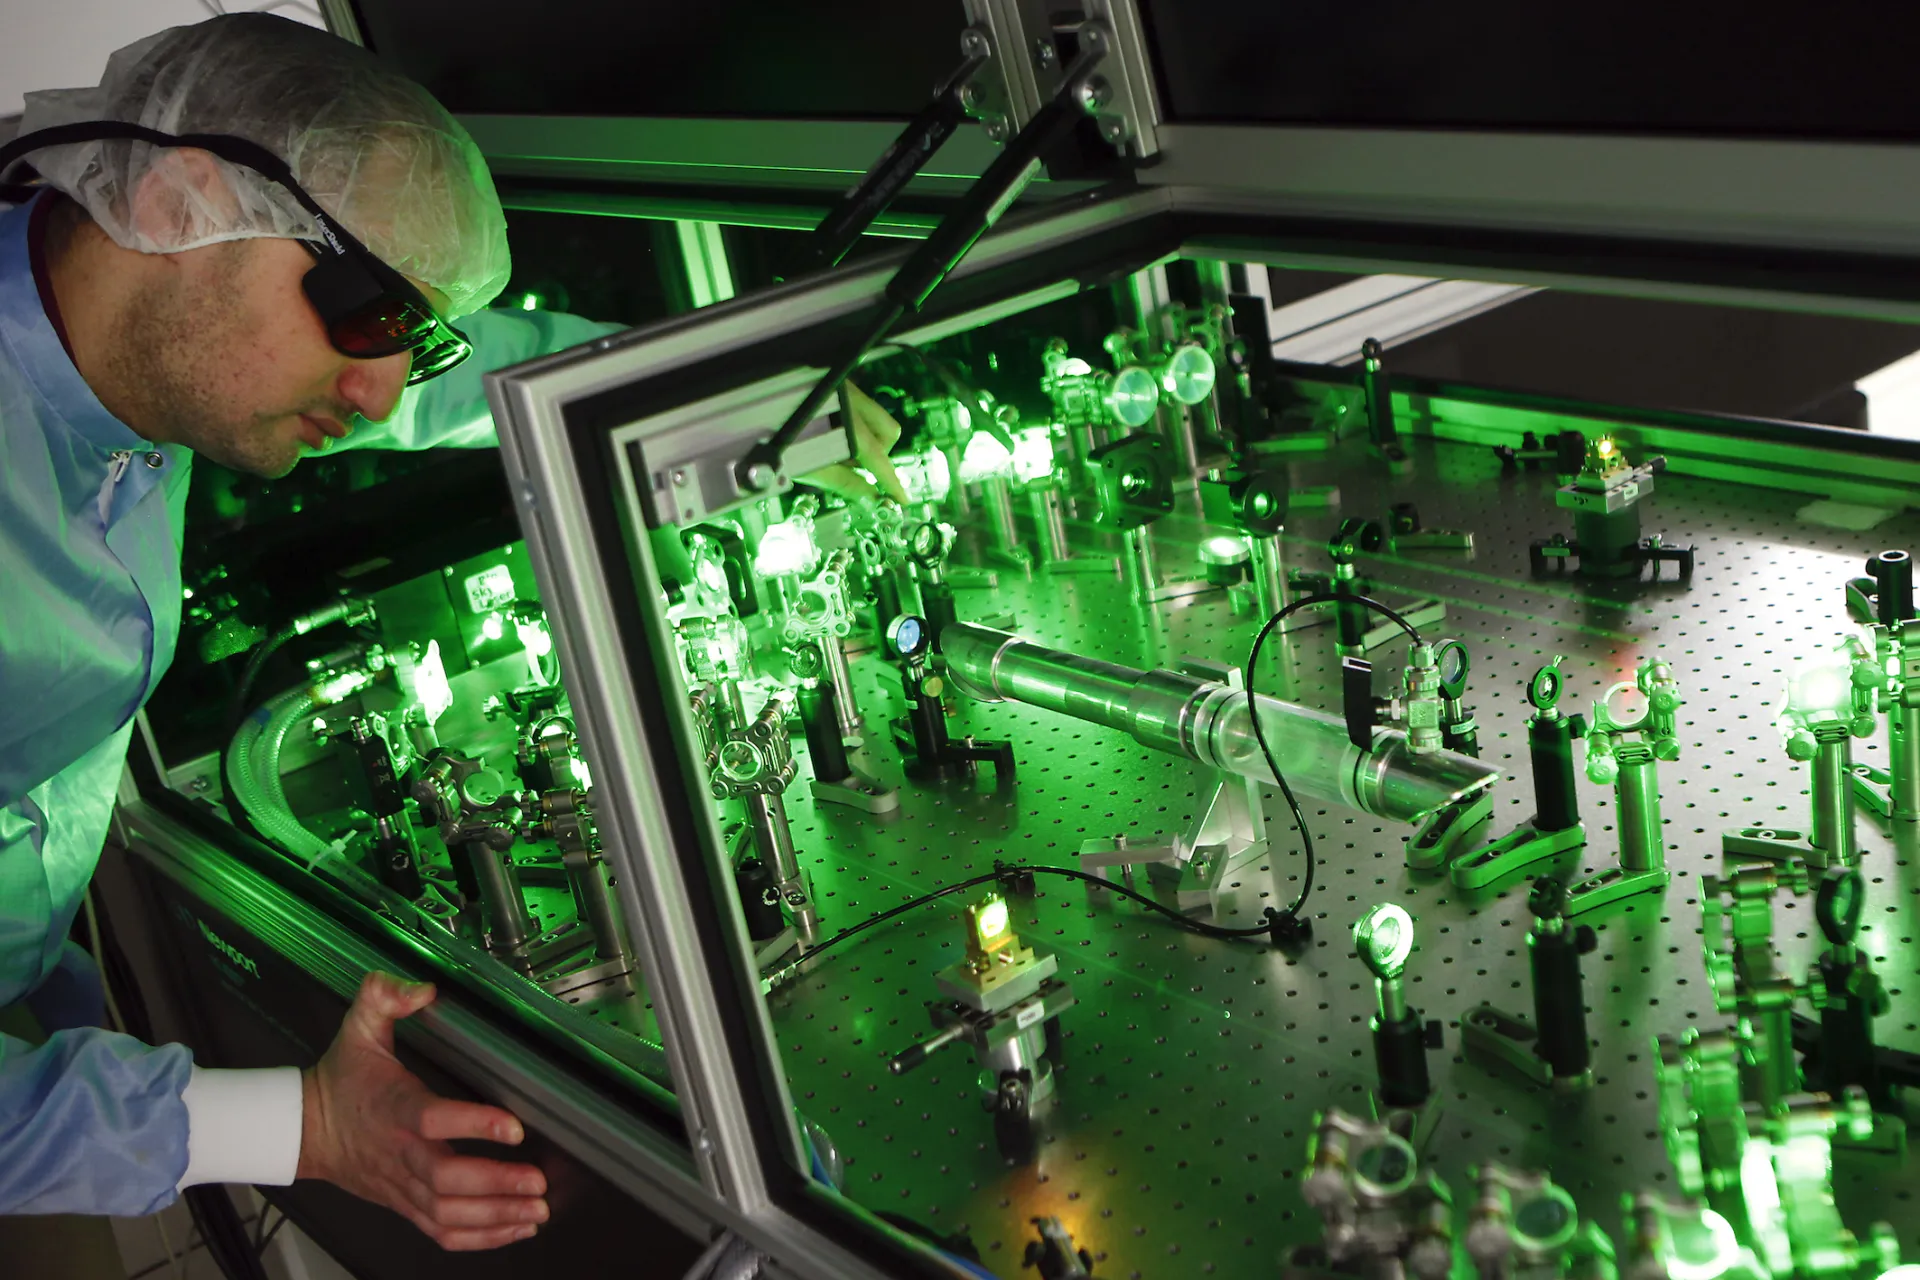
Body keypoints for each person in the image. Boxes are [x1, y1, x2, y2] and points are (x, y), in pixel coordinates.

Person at [0, 11, 906, 1270]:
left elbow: (474, 382)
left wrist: (741, 399)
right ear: (173, 200)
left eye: (412, 335)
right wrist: (304, 1124)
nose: (381, 391)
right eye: (367, 313)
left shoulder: (146, 359)